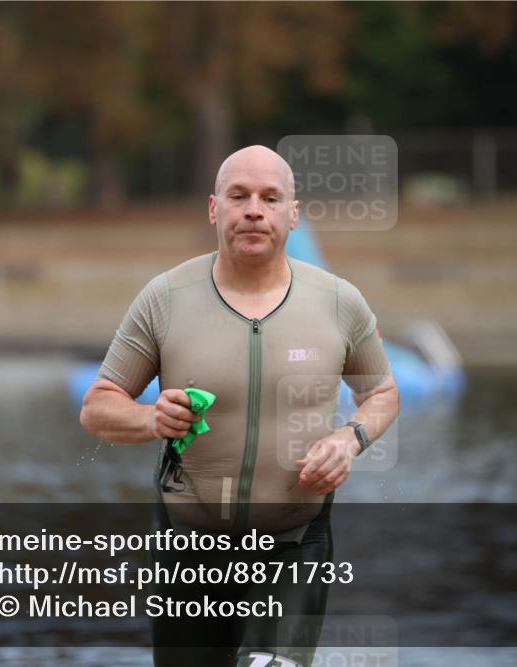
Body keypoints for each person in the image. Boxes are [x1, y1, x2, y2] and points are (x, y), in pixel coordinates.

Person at [80, 145, 400, 666]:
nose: (254, 209)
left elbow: (382, 394)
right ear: (214, 209)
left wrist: (350, 438)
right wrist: (149, 418)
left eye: (270, 198)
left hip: (294, 544)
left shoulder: (340, 302)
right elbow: (97, 407)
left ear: (292, 214)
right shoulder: (165, 297)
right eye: (239, 196)